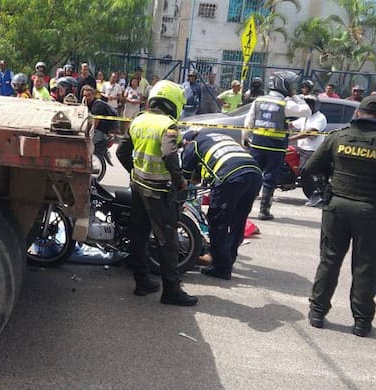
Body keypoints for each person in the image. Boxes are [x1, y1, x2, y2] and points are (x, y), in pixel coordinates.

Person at [304, 96, 376, 337]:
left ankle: (318, 313)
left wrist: (326, 184)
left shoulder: (337, 137)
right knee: (366, 266)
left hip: (336, 206)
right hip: (370, 211)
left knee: (329, 260)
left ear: (358, 113)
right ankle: (361, 322)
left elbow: (309, 168)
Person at [116, 80, 198, 306]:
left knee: (139, 235)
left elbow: (122, 152)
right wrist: (180, 180)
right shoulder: (169, 125)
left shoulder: (138, 120)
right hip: (159, 191)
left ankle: (142, 282)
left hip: (138, 186)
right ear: (173, 103)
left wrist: (135, 172)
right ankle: (171, 291)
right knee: (167, 241)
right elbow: (170, 156)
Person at [182, 129, 262, 280]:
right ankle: (228, 259)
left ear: (186, 142)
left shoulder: (193, 144)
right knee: (238, 221)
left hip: (230, 177)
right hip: (254, 174)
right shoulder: (222, 137)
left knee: (218, 222)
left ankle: (221, 268)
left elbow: (184, 179)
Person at [242, 71, 311, 221]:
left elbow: (249, 121)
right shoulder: (286, 103)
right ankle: (264, 211)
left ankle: (243, 209)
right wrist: (295, 95)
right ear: (284, 85)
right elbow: (307, 111)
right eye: (291, 85)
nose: (293, 87)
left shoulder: (259, 100)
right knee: (270, 179)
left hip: (257, 144)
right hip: (276, 147)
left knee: (253, 175)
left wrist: (245, 138)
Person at [289, 95, 328, 207]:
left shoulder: (319, 118)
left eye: (309, 105)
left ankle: (314, 196)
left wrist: (290, 138)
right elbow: (292, 124)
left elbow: (311, 133)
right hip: (301, 148)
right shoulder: (305, 117)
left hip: (312, 150)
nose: (307, 107)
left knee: (305, 170)